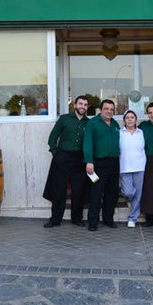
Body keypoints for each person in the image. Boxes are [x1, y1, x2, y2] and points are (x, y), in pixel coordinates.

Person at [42, 95, 90, 228]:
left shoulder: (89, 122)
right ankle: (55, 219)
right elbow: (53, 137)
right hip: (62, 158)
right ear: (74, 105)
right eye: (80, 104)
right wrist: (55, 153)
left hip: (80, 160)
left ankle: (77, 218)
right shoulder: (64, 119)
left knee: (78, 191)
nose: (83, 107)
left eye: (85, 105)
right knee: (58, 190)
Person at [83, 99, 121, 231]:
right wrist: (89, 161)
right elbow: (87, 142)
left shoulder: (115, 124)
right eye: (106, 108)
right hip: (98, 163)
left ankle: (108, 219)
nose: (109, 111)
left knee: (112, 193)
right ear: (100, 110)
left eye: (111, 109)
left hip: (114, 163)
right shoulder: (92, 123)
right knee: (96, 194)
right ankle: (93, 222)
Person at [119, 110, 146, 228]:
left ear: (136, 120)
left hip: (140, 166)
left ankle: (133, 218)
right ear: (124, 120)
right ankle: (130, 199)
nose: (130, 119)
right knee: (128, 192)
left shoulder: (141, 132)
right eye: (127, 118)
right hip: (124, 167)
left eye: (132, 117)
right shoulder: (119, 133)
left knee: (139, 194)